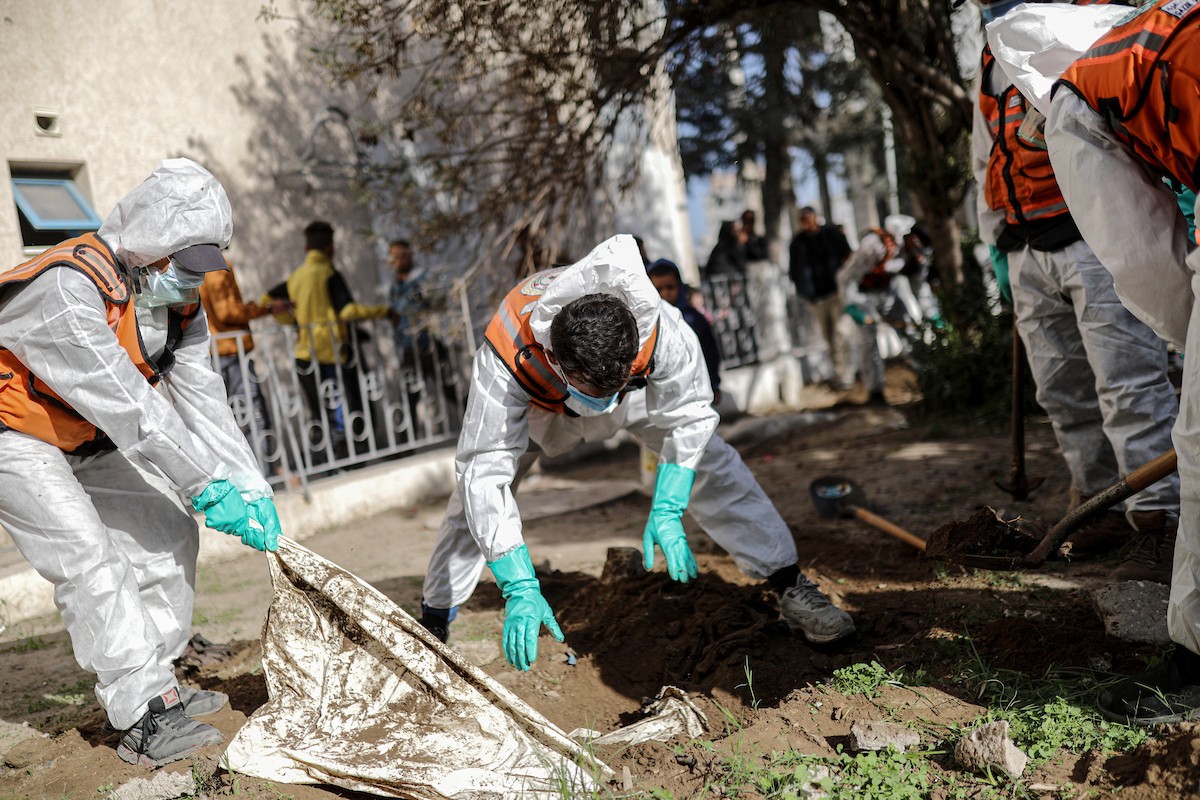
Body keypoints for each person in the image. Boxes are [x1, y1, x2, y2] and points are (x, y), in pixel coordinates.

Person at [418, 235, 854, 670]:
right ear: (556, 356)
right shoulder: (509, 346)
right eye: (592, 389)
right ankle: (435, 620)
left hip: (635, 399)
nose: (600, 403)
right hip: (540, 410)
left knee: (709, 459)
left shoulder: (662, 330)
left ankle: (788, 581)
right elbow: (483, 469)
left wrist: (668, 505)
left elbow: (690, 417)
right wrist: (518, 585)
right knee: (471, 500)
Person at [0, 158, 281, 767]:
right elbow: (130, 405)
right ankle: (142, 715)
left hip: (86, 431)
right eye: (185, 264)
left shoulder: (179, 308)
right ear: (149, 245)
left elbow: (206, 400)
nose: (194, 280)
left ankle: (161, 682)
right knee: (88, 558)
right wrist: (205, 485)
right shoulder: (68, 289)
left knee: (168, 532)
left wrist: (250, 486)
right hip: (14, 432)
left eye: (204, 265)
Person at [989, 0, 1200, 725]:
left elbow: (1147, 265)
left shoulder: (1077, 96)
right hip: (1031, 238)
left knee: (1193, 443)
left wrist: (1193, 346)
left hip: (1089, 243)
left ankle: (1195, 652)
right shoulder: (1166, 32)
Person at [971, 20, 1180, 578]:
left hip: (1095, 236)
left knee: (1128, 385)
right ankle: (1097, 505)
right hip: (1026, 245)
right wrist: (996, 238)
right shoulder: (991, 56)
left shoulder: (1088, 23)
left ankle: (1160, 523)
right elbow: (984, 154)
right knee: (1062, 393)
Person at [263, 221, 390, 461]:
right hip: (330, 353)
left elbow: (265, 302)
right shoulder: (329, 273)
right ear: (330, 247)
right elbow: (348, 311)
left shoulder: (296, 278)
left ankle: (326, 459)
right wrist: (383, 311)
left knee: (319, 411)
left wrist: (293, 321)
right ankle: (345, 456)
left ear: (306, 248)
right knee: (340, 406)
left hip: (304, 354)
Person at [199, 260, 287, 471]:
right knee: (252, 414)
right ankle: (263, 476)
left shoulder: (195, 262)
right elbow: (227, 311)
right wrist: (264, 309)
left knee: (236, 417)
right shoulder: (214, 265)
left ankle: (255, 474)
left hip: (219, 352)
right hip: (230, 352)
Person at [837, 219, 911, 406]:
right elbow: (846, 277)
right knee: (867, 342)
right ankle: (875, 393)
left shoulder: (905, 246)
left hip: (887, 292)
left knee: (908, 328)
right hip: (863, 297)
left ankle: (929, 372)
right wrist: (850, 305)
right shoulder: (871, 247)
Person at [788, 206, 852, 385]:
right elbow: (794, 270)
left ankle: (847, 374)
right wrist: (805, 292)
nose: (806, 224)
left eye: (808, 219)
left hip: (836, 293)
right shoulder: (797, 243)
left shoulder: (831, 233)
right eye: (802, 220)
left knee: (841, 333)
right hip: (816, 299)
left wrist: (845, 281)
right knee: (828, 338)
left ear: (815, 217)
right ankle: (839, 374)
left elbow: (847, 255)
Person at [647, 258, 722, 406]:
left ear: (680, 286)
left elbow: (710, 354)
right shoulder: (649, 325)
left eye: (670, 287)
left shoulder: (694, 320)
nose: (665, 294)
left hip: (698, 390)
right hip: (665, 398)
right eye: (659, 289)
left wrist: (714, 384)